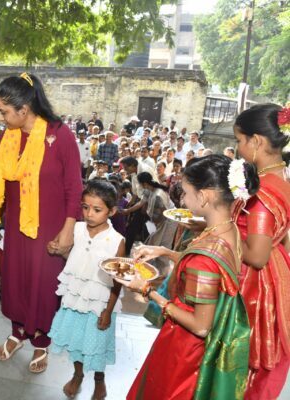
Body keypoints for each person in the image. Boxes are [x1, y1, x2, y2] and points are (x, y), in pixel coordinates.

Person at [0, 72, 83, 374]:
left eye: (4, 111)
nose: (1, 118)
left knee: (43, 286)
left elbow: (74, 188)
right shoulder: (9, 137)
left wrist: (67, 230)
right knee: (16, 281)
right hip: (17, 228)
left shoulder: (60, 135)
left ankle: (42, 341)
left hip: (49, 229)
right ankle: (19, 332)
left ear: (24, 109)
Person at [121, 154, 257, 399]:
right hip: (201, 347)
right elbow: (206, 270)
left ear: (203, 196)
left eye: (185, 192)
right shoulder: (229, 230)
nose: (183, 199)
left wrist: (147, 291)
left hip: (185, 350)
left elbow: (200, 325)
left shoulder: (205, 257)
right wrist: (164, 251)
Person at [233, 103, 290, 400]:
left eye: (240, 140)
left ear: (257, 141)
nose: (239, 147)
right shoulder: (282, 179)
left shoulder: (263, 191)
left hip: (252, 282)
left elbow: (256, 254)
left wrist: (224, 232)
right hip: (275, 272)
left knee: (239, 363)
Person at [48, 181, 124, 400]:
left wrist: (108, 311)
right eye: (85, 207)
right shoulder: (77, 229)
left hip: (99, 304)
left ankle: (99, 380)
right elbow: (72, 259)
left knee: (97, 345)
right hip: (75, 298)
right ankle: (78, 375)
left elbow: (117, 281)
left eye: (97, 210)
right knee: (76, 341)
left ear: (112, 211)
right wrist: (55, 249)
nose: (89, 214)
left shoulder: (117, 240)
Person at [136, 172, 177, 274]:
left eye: (140, 184)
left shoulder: (157, 195)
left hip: (167, 222)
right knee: (158, 247)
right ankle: (159, 274)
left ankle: (163, 276)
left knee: (161, 250)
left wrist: (152, 225)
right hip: (163, 221)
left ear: (145, 184)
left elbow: (159, 216)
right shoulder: (152, 190)